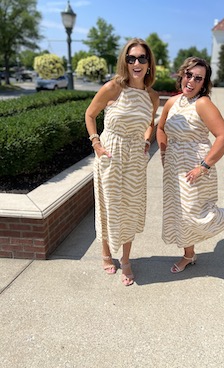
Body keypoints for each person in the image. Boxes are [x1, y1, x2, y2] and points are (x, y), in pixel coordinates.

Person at [156, 57, 224, 273]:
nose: (191, 81)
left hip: (196, 167)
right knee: (180, 214)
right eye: (188, 75)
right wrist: (164, 152)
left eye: (198, 78)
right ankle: (189, 255)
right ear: (181, 75)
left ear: (204, 83)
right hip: (174, 168)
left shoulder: (203, 103)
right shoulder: (172, 102)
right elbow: (160, 127)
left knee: (196, 215)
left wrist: (203, 167)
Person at [85, 38, 159, 285]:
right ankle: (106, 254)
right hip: (111, 154)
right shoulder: (113, 88)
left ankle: (126, 260)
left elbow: (150, 125)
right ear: (124, 62)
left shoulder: (152, 96)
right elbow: (90, 114)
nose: (136, 63)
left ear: (149, 64)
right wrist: (96, 143)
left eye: (142, 58)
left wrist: (147, 141)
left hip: (135, 159)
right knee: (109, 206)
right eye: (131, 58)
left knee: (130, 208)